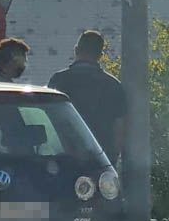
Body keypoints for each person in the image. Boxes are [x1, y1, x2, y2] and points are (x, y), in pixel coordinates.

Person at [49, 30, 127, 160]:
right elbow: (119, 127)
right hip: (101, 158)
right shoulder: (113, 85)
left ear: (76, 50)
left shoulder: (58, 80)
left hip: (65, 157)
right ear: (100, 55)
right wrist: (113, 157)